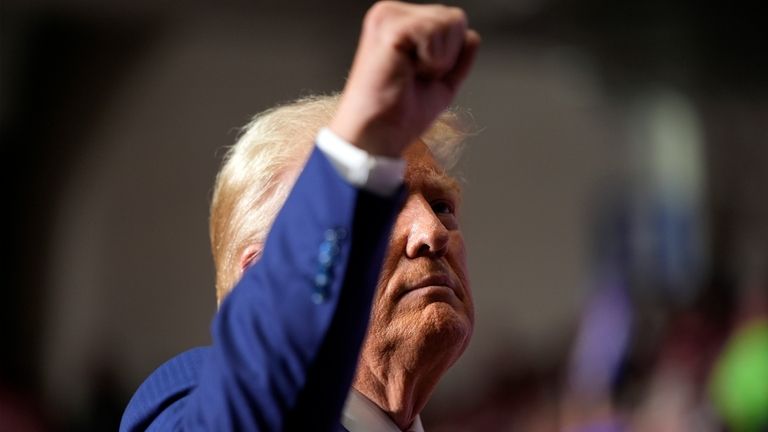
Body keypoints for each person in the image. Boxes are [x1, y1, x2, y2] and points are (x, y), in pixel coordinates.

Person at [120, 2, 480, 431]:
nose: (433, 233)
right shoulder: (189, 404)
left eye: (441, 206)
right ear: (258, 276)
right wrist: (359, 152)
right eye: (381, 214)